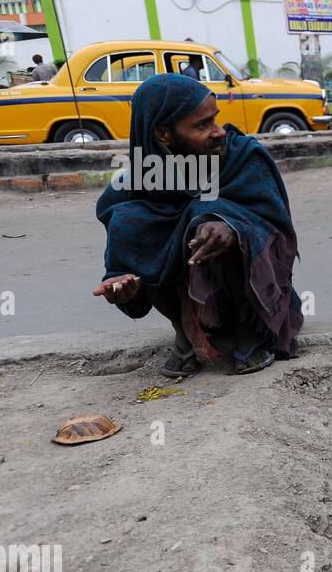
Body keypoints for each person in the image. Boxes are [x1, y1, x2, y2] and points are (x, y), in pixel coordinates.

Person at [94, 75, 303, 377]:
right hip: (183, 298)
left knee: (211, 216)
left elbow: (278, 228)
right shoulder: (135, 184)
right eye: (202, 125)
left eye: (215, 119)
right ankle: (186, 332)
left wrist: (233, 227)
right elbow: (123, 263)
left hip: (250, 297)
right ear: (164, 134)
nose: (219, 132)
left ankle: (251, 334)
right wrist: (124, 284)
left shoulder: (244, 158)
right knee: (130, 220)